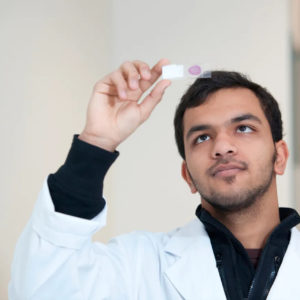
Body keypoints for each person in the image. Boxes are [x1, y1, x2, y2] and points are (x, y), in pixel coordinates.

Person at [9, 59, 300, 300]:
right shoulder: (140, 265)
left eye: (244, 128)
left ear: (280, 156)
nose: (222, 146)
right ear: (188, 176)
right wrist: (96, 143)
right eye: (202, 137)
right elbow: (38, 289)